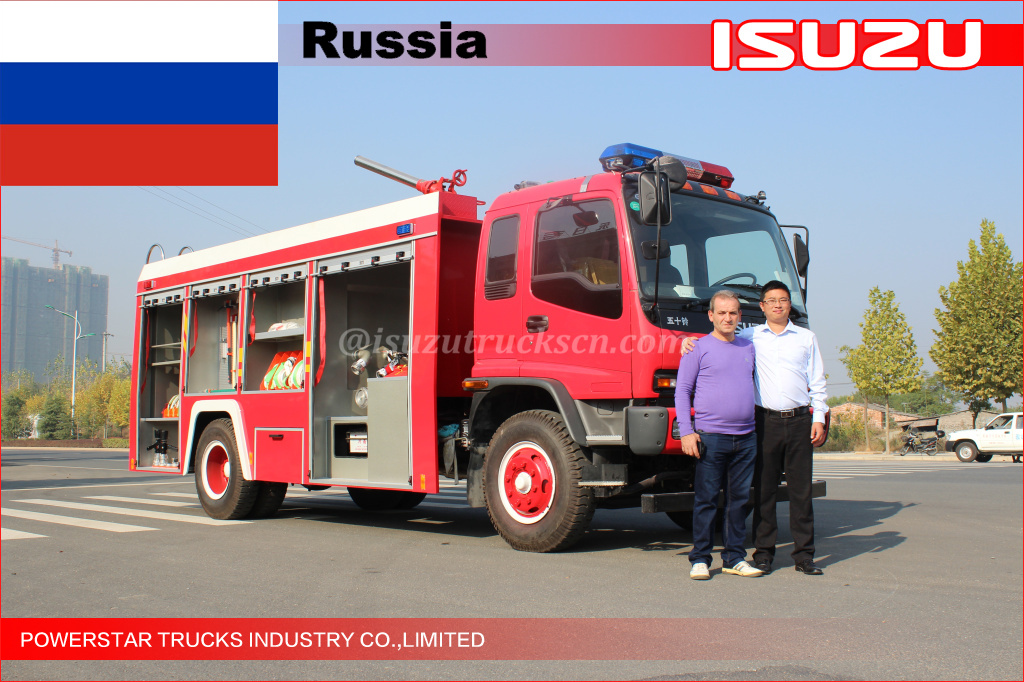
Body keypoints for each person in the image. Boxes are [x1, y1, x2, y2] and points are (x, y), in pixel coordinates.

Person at [680, 280, 828, 575]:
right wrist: (684, 340)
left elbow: (818, 381)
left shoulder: (792, 339)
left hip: (778, 426)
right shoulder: (738, 339)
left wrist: (819, 416)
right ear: (761, 307)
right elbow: (687, 381)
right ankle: (732, 556)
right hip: (743, 428)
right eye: (722, 313)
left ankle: (786, 557)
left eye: (782, 300)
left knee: (781, 495)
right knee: (743, 495)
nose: (728, 318)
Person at [674, 290, 763, 580]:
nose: (728, 318)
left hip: (746, 437)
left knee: (738, 501)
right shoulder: (697, 348)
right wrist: (687, 432)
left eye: (733, 312)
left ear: (740, 316)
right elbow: (682, 391)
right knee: (706, 500)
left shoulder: (748, 347)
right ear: (711, 315)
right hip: (711, 437)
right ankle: (700, 558)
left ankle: (734, 557)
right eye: (722, 312)